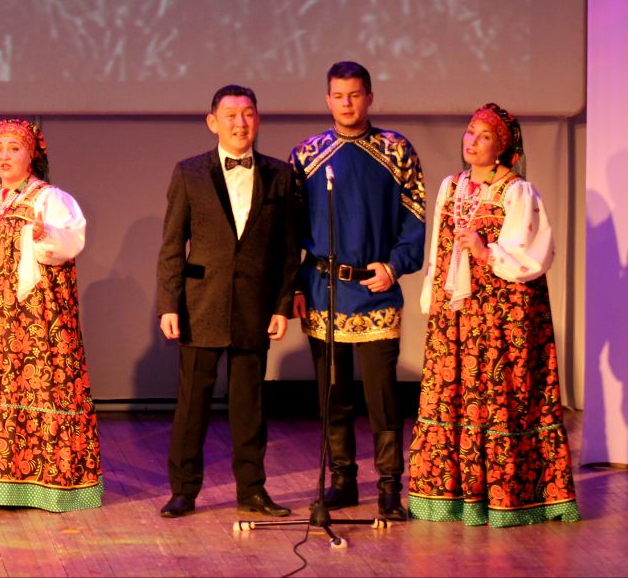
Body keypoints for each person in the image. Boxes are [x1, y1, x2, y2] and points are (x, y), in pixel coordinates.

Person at [408, 103, 579, 527]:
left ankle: (509, 499)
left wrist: (486, 252)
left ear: (501, 147)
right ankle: (449, 497)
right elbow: (438, 249)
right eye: (470, 131)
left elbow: (533, 254)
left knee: (500, 397)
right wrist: (434, 294)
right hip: (457, 314)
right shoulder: (451, 186)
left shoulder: (517, 191)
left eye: (484, 136)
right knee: (452, 394)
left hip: (501, 317)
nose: (472, 141)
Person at [288, 61, 425, 521]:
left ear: (369, 97)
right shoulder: (306, 155)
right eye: (338, 95)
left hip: (376, 288)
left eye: (354, 95)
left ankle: (389, 485)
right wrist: (295, 285)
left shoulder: (396, 150)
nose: (346, 104)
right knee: (333, 395)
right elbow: (290, 229)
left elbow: (415, 219)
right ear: (327, 100)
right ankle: (342, 480)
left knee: (383, 398)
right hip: (324, 288)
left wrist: (395, 266)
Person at [0, 118, 102, 512]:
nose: (4, 156)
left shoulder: (49, 199)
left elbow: (69, 243)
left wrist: (45, 236)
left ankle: (43, 485)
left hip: (33, 317)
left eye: (13, 149)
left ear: (31, 156)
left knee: (34, 387)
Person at [155, 86, 299, 519]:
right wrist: (168, 304)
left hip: (254, 304)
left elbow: (287, 250)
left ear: (258, 119)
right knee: (192, 404)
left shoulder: (280, 174)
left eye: (248, 114)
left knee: (249, 404)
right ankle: (184, 490)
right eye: (231, 115)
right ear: (212, 122)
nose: (240, 123)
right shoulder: (189, 172)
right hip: (201, 303)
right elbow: (172, 245)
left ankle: (252, 490)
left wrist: (282, 304)